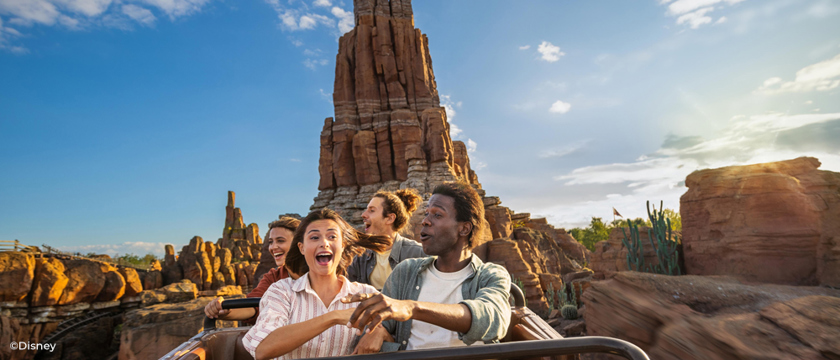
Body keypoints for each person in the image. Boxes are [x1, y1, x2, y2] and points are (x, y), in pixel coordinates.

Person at [343, 182, 511, 352]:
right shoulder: (406, 271)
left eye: (437, 215)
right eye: (426, 214)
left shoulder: (490, 275)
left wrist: (412, 308)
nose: (425, 221)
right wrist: (378, 331)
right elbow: (381, 324)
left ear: (464, 228)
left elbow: (493, 319)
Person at [242, 208, 392, 360]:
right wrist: (333, 317)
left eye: (332, 236)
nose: (324, 243)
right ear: (302, 248)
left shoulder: (366, 294)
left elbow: (398, 341)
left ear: (343, 245)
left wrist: (381, 334)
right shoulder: (281, 291)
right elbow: (262, 348)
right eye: (314, 238)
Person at [204, 216, 300, 323]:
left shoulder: (317, 272)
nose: (273, 247)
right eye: (270, 242)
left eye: (280, 241)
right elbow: (253, 305)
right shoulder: (273, 277)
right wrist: (226, 310)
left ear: (299, 244)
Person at [347, 188, 426, 290]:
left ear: (390, 218)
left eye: (372, 210)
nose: (363, 215)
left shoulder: (419, 254)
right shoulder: (359, 257)